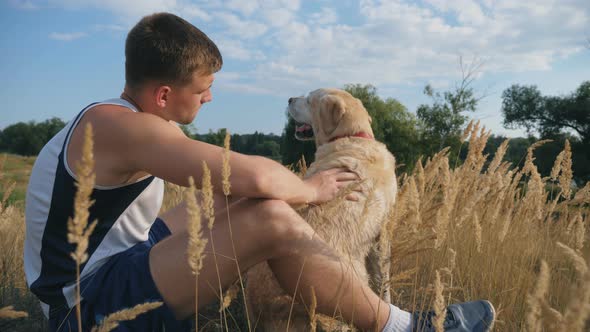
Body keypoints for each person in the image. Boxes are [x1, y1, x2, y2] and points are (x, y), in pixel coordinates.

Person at [24, 12, 495, 332]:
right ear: (165, 94)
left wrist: (290, 192)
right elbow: (254, 175)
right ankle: (405, 326)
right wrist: (311, 188)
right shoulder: (123, 127)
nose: (209, 98)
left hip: (121, 256)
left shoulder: (121, 118)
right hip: (84, 303)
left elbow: (237, 186)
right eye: (203, 89)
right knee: (270, 212)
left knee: (248, 201)